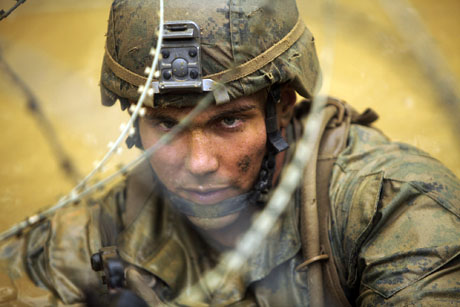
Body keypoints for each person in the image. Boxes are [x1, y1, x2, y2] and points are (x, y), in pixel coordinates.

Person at [1, 0, 459, 306]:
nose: (198, 163)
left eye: (228, 121)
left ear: (281, 106)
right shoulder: (112, 223)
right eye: (166, 124)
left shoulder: (390, 208)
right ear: (135, 123)